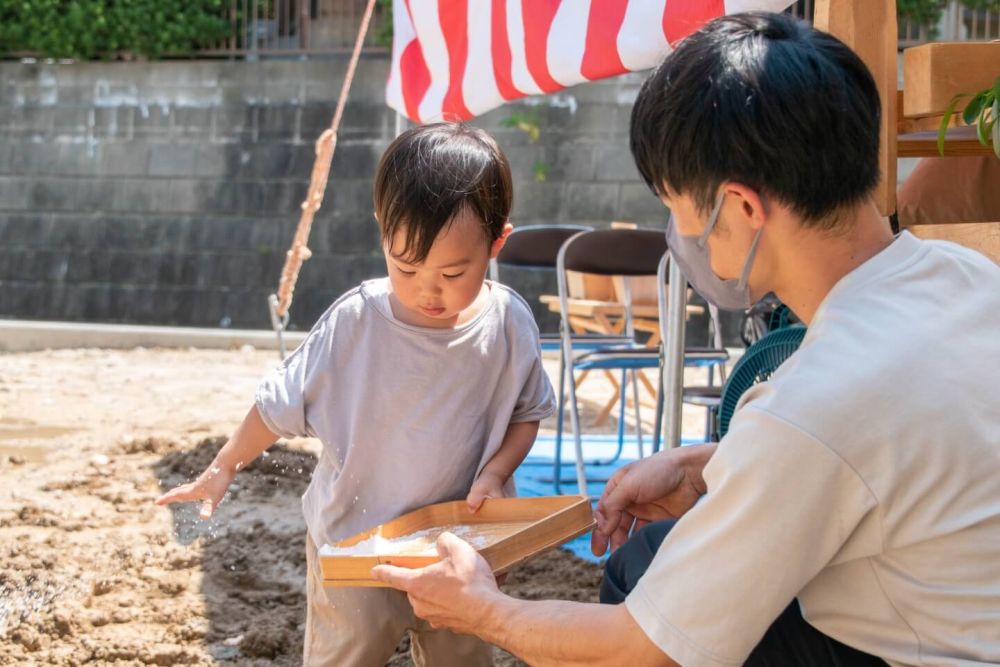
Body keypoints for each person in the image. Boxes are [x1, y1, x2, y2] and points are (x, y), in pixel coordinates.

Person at [373, 12, 1000, 666]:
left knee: (650, 599)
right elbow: (889, 449)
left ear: (741, 209)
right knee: (649, 556)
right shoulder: (964, 276)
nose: (676, 232)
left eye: (675, 206)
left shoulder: (812, 407)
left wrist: (482, 607)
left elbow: (638, 648)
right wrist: (712, 464)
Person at [156, 122, 556, 666]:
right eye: (405, 266)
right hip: (354, 548)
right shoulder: (356, 322)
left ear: (496, 242)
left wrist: (494, 473)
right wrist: (224, 465)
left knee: (461, 658)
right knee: (347, 655)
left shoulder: (509, 321)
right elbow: (278, 406)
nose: (427, 290)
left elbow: (526, 413)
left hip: (458, 548)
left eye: (453, 272)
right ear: (381, 234)